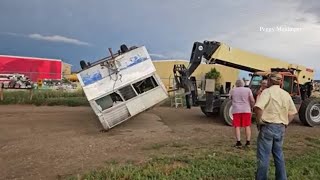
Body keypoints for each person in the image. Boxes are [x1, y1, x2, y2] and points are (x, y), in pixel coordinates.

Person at [253, 73, 298, 180]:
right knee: (279, 156)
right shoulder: (286, 94)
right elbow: (293, 112)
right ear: (280, 82)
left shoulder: (267, 92)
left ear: (270, 80)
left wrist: (259, 122)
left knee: (264, 156)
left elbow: (258, 108)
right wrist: (286, 123)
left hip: (268, 126)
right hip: (280, 127)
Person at [230, 79, 255, 148]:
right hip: (246, 110)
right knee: (247, 126)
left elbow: (231, 99)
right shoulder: (248, 90)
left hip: (236, 110)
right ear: (243, 83)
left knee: (237, 126)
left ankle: (238, 142)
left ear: (236, 84)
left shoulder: (233, 90)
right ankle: (248, 142)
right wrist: (252, 106)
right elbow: (252, 100)